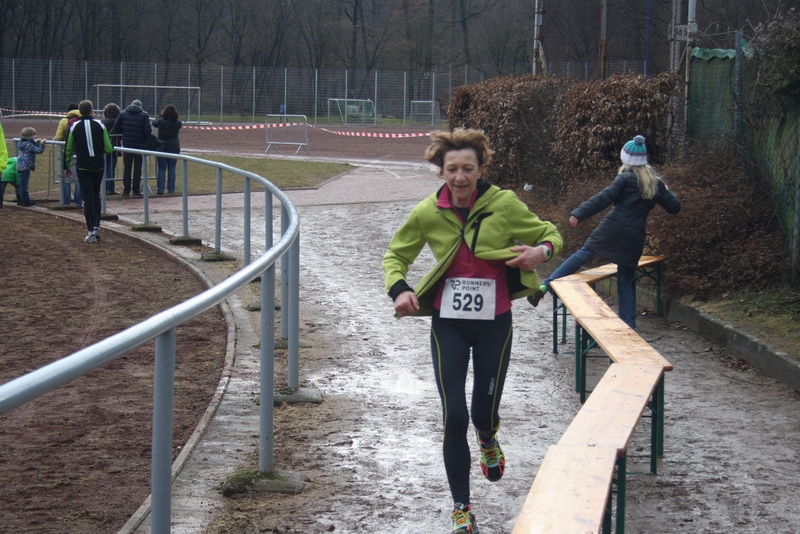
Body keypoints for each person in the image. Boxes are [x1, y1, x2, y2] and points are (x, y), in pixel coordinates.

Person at [382, 128, 562, 534]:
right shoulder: (428, 211)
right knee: (454, 415)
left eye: (468, 169)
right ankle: (461, 508)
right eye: (452, 169)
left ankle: (488, 437)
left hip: (495, 323)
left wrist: (541, 252)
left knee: (482, 412)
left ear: (481, 170)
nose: (460, 177)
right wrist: (399, 289)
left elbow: (550, 234)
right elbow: (396, 255)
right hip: (448, 324)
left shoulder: (504, 204)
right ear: (441, 171)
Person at [532, 135, 681, 329]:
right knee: (625, 278)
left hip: (613, 227)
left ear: (626, 159)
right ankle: (628, 325)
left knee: (582, 254)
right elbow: (675, 207)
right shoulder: (656, 185)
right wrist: (667, 191)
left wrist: (579, 213)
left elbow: (604, 198)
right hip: (634, 236)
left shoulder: (625, 178)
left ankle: (546, 285)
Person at [65, 100, 113, 243]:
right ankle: (97, 227)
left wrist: (67, 166)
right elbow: (109, 148)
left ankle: (91, 232)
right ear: (92, 111)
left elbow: (68, 148)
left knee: (88, 198)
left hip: (82, 166)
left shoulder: (74, 126)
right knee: (96, 195)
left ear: (80, 112)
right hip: (98, 166)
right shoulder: (100, 125)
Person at [112, 99, 151, 198]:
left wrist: (124, 133)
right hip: (139, 145)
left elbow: (116, 126)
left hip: (127, 144)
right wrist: (144, 140)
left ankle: (126, 191)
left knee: (127, 168)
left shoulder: (123, 113)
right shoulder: (144, 115)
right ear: (140, 106)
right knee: (138, 168)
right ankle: (136, 190)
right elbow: (147, 130)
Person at [54, 102, 83, 207]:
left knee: (66, 177)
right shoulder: (82, 120)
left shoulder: (64, 121)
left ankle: (66, 202)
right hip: (80, 153)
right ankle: (78, 202)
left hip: (67, 152)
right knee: (79, 178)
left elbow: (58, 137)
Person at [152, 104, 182, 194]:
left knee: (161, 169)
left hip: (162, 146)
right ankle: (171, 188)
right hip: (174, 146)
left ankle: (160, 189)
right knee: (172, 168)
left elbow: (154, 123)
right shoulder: (178, 122)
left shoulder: (161, 121)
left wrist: (161, 115)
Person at [16, 127, 46, 207]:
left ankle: (22, 200)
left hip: (21, 165)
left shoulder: (23, 142)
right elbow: (38, 150)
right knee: (24, 185)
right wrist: (42, 144)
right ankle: (25, 201)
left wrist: (36, 142)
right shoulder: (28, 144)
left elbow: (32, 147)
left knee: (22, 184)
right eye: (33, 135)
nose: (34, 137)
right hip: (25, 166)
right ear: (29, 135)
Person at [101, 103, 121, 195]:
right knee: (111, 169)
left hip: (103, 147)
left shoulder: (102, 122)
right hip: (114, 147)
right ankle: (110, 188)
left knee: (105, 168)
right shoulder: (118, 123)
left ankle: (104, 187)